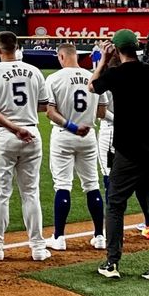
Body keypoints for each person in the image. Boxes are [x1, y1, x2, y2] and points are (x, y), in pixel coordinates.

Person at [91, 30, 149, 284]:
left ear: (116, 50)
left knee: (116, 204)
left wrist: (103, 61)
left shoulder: (116, 74)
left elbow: (92, 86)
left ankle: (112, 262)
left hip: (128, 150)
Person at [0, 30, 48, 262]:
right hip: (32, 133)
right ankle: (38, 248)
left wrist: (14, 127)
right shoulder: (34, 71)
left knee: (1, 194)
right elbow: (43, 105)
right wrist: (23, 118)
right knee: (31, 193)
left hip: (5, 135)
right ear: (17, 47)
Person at [42, 43, 106, 251]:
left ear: (61, 56)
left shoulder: (54, 78)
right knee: (92, 184)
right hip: (89, 135)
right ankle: (100, 236)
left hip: (65, 134)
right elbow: (102, 111)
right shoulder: (92, 76)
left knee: (63, 184)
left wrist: (71, 126)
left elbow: (50, 112)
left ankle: (59, 237)